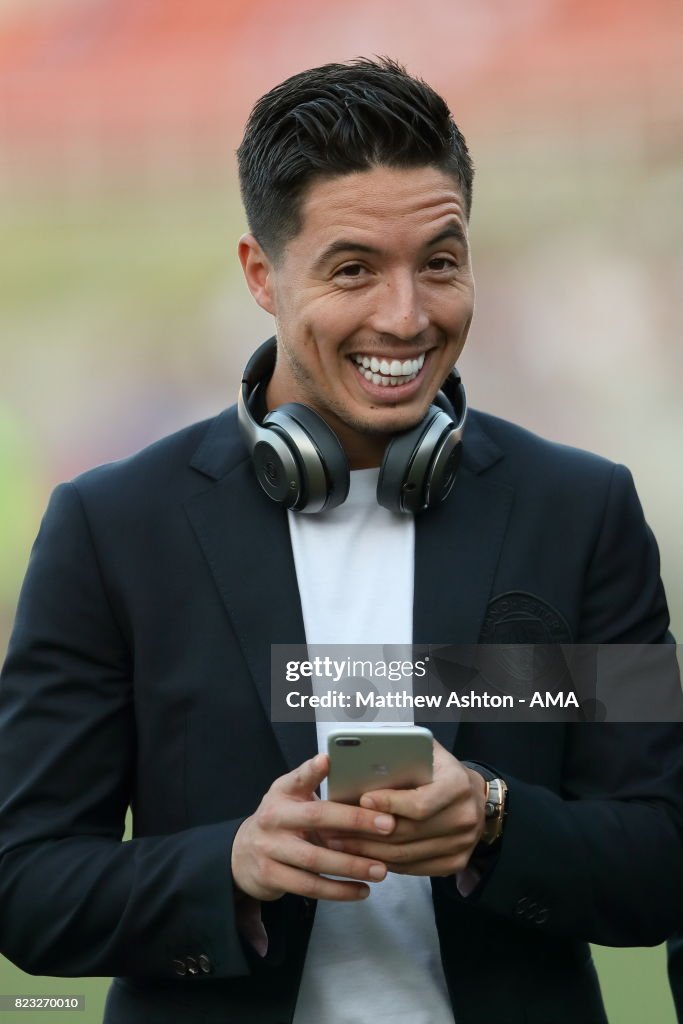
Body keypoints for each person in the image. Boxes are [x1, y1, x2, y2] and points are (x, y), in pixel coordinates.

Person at [0, 57, 681, 1024]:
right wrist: (230, 865)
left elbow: (661, 860)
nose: (404, 317)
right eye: (353, 268)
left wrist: (493, 820)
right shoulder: (112, 530)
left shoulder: (582, 512)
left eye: (439, 263)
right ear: (260, 275)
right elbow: (26, 884)